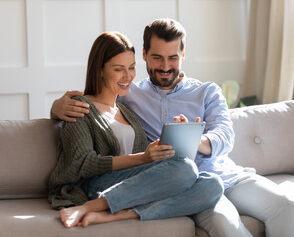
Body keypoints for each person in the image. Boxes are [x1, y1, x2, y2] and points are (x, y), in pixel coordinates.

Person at [51, 19, 294, 236]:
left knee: (287, 205)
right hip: (175, 181)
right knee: (228, 224)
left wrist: (196, 140)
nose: (165, 66)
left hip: (223, 176)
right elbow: (97, 103)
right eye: (157, 57)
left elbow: (225, 136)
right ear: (145, 54)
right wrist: (56, 108)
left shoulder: (207, 92)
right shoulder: (130, 94)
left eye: (173, 58)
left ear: (183, 56)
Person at [48, 31, 223, 228]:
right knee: (186, 169)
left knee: (212, 184)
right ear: (100, 70)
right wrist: (143, 158)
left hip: (134, 185)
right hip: (96, 185)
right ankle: (91, 206)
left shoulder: (125, 109)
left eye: (131, 68)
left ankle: (117, 215)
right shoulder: (80, 106)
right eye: (118, 69)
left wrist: (161, 153)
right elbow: (82, 164)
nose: (128, 76)